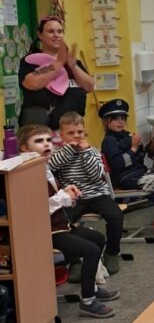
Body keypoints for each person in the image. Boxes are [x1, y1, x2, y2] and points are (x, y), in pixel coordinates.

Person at [18, 124, 119, 319]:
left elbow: (50, 196)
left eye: (48, 140)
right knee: (91, 250)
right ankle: (88, 301)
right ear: (24, 148)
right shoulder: (26, 173)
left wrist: (65, 191)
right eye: (39, 141)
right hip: (46, 231)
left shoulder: (43, 166)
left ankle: (91, 288)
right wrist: (63, 197)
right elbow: (34, 209)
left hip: (59, 225)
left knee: (98, 238)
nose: (46, 144)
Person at [99, 99, 154, 243]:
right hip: (124, 178)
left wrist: (146, 146)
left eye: (123, 118)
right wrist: (133, 148)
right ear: (106, 121)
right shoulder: (109, 141)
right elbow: (118, 164)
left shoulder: (127, 135)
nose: (120, 122)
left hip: (139, 172)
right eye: (115, 119)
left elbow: (139, 159)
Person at [49, 112, 124, 274]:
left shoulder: (93, 151)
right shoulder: (57, 152)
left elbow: (95, 175)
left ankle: (111, 253)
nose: (76, 136)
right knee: (65, 223)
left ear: (84, 131)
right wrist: (69, 150)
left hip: (97, 195)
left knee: (116, 216)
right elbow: (51, 166)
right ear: (61, 135)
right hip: (73, 198)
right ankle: (74, 261)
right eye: (70, 133)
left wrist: (85, 152)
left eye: (80, 132)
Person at [18, 16, 94, 129]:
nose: (56, 35)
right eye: (50, 31)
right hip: (41, 131)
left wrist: (73, 66)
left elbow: (89, 87)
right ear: (40, 35)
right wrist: (58, 63)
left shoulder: (73, 62)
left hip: (72, 130)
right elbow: (32, 82)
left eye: (59, 31)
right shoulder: (31, 61)